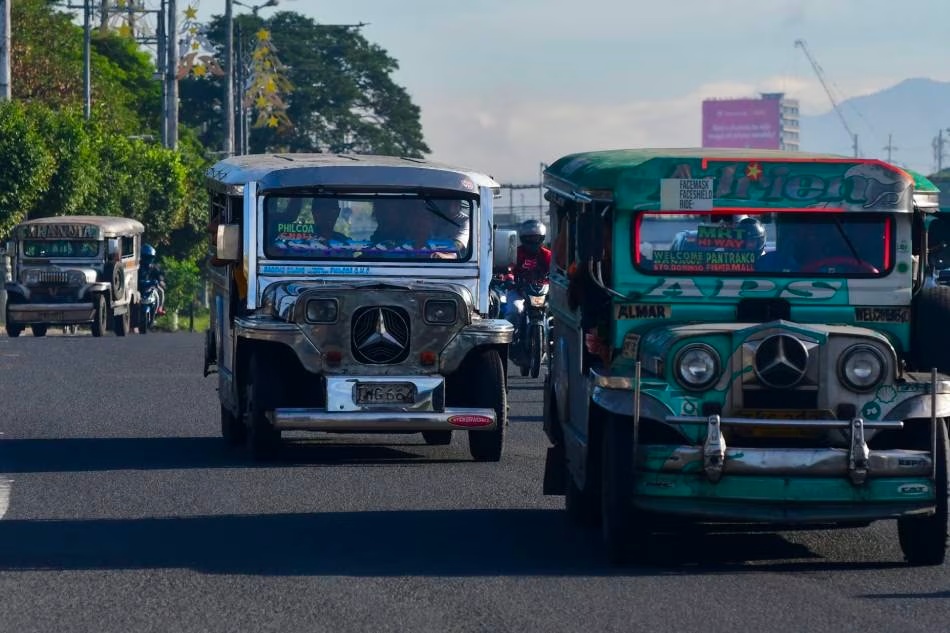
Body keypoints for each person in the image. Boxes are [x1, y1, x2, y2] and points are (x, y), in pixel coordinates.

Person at [502, 219, 552, 330]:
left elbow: (555, 270)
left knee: (555, 313)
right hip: (519, 290)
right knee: (514, 310)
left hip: (543, 292)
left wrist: (554, 280)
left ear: (542, 238)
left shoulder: (547, 255)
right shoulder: (515, 253)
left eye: (535, 238)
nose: (532, 241)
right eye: (529, 238)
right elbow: (509, 269)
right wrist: (509, 279)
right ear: (523, 239)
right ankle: (510, 341)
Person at [139, 243, 166, 315]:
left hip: (150, 287)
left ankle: (159, 309)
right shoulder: (138, 266)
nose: (148, 259)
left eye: (149, 257)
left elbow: (159, 276)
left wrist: (160, 281)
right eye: (146, 257)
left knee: (160, 292)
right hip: (139, 287)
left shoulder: (153, 267)